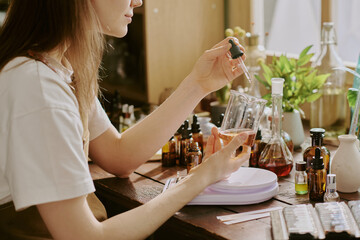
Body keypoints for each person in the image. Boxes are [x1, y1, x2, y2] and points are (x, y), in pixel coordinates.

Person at [0, 0, 250, 239]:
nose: (138, 2)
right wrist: (200, 178)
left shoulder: (59, 68)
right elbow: (86, 237)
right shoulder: (38, 88)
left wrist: (198, 84)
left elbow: (119, 156)